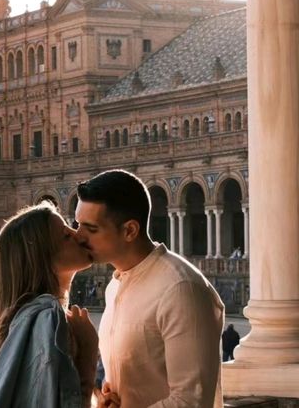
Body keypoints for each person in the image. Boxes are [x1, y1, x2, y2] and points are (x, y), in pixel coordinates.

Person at [76, 168, 224, 408]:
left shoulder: (180, 288)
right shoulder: (115, 285)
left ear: (129, 231)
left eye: (91, 229)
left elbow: (191, 401)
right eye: (78, 224)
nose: (78, 236)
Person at [0, 201, 97, 408]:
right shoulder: (49, 319)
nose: (78, 235)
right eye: (66, 235)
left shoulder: (26, 319)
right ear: (42, 257)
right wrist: (87, 354)